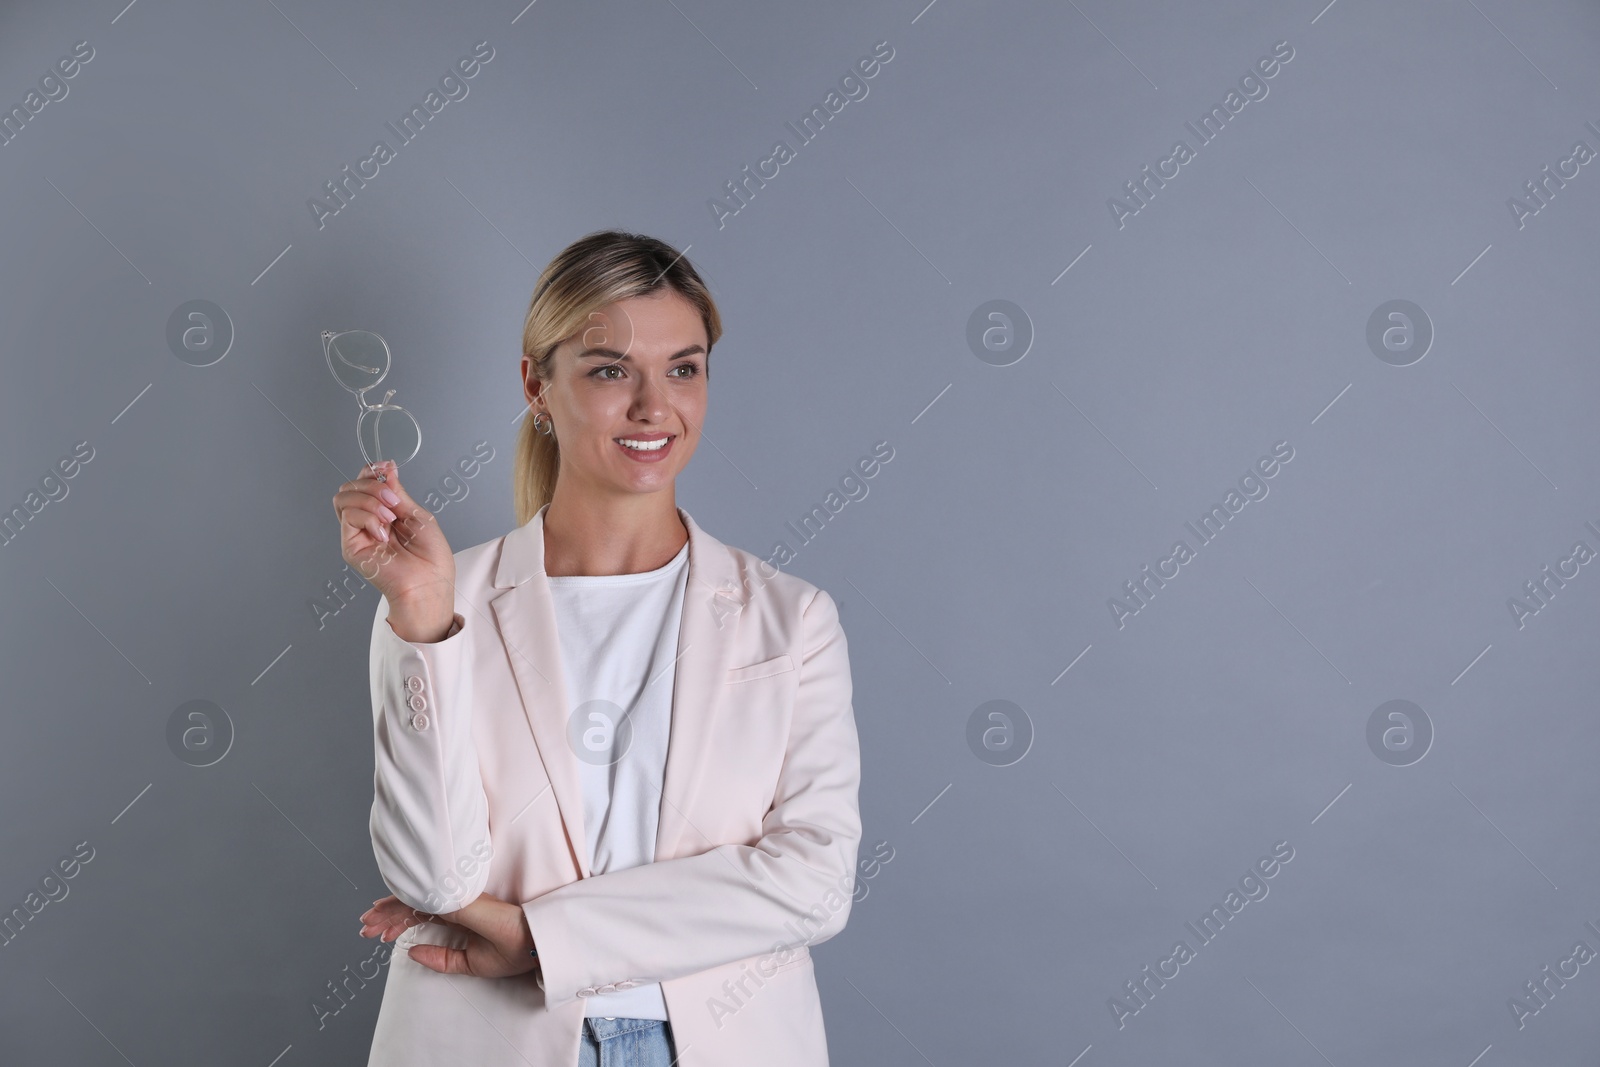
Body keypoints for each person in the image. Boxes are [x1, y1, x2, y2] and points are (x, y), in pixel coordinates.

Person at [331, 231, 863, 1067]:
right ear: (536, 386)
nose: (655, 406)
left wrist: (538, 937)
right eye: (611, 369)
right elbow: (434, 878)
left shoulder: (792, 620)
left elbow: (815, 883)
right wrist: (423, 618)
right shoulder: (444, 602)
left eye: (683, 368)